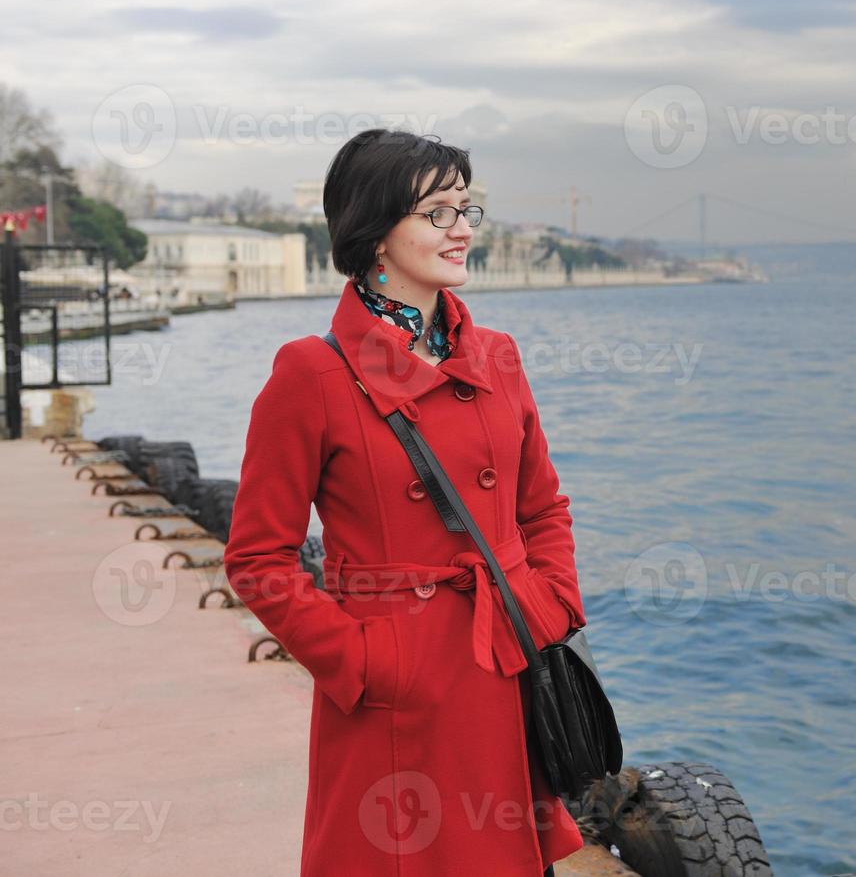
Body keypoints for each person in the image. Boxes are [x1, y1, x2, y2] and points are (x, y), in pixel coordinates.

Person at [223, 130, 585, 876]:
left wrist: (551, 603)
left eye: (466, 209)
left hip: (507, 658)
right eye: (436, 213)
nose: (461, 229)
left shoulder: (498, 355)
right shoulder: (311, 374)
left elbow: (543, 508)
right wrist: (364, 661)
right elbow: (258, 558)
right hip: (398, 698)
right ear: (375, 232)